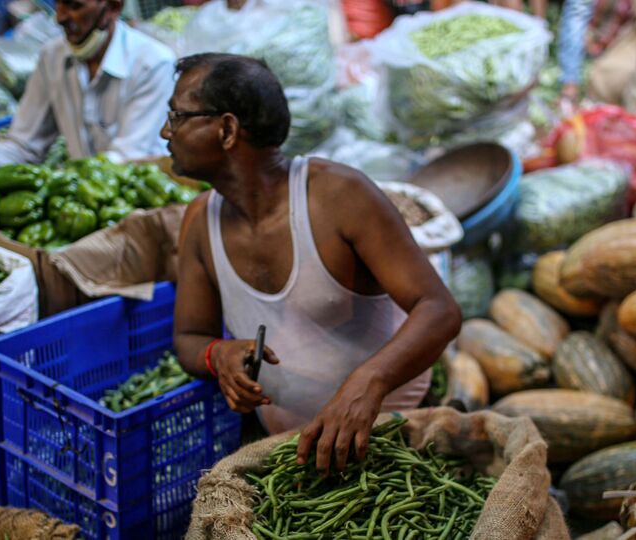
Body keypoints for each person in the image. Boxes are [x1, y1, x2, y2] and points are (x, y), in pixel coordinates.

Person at [169, 53, 461, 474]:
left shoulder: (338, 197)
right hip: (289, 451)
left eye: (178, 115)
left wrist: (368, 383)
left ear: (227, 129)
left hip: (394, 435)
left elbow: (440, 310)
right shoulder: (200, 222)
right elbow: (190, 337)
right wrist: (220, 355)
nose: (167, 131)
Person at [0, 0, 175, 186]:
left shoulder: (153, 64)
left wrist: (53, 184)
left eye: (75, 6)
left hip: (137, 196)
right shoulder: (53, 57)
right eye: (59, 3)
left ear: (113, 7)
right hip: (82, 195)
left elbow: (126, 160)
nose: (60, 17)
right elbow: (24, 146)